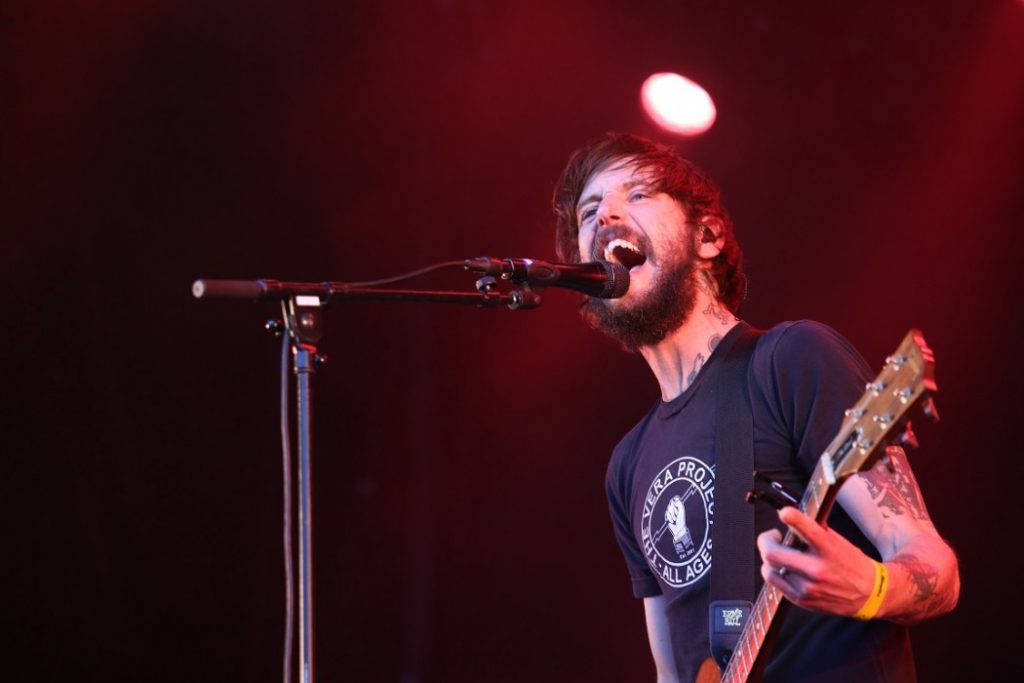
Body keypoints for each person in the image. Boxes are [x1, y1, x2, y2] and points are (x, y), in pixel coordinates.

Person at [551, 132, 959, 682]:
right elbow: (672, 674)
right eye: (590, 211)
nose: (606, 217)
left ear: (709, 237)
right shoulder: (627, 465)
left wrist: (872, 588)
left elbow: (937, 567)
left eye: (638, 195)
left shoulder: (790, 360)